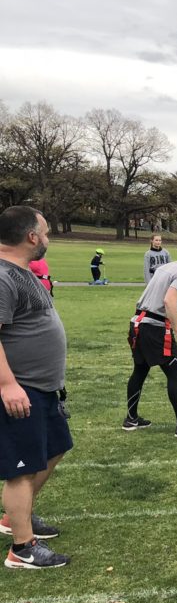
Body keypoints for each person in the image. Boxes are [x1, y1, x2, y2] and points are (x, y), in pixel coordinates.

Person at [0, 205, 72, 568]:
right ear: (31, 237)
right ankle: (22, 548)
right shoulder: (2, 276)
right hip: (21, 389)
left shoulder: (20, 270)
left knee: (56, 448)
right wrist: (7, 384)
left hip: (42, 387)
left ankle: (15, 517)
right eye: (44, 232)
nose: (47, 239)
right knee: (22, 468)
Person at [124, 236, 177, 437]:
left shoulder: (167, 267)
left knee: (140, 371)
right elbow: (169, 301)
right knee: (175, 374)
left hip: (137, 322)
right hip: (153, 327)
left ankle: (131, 419)